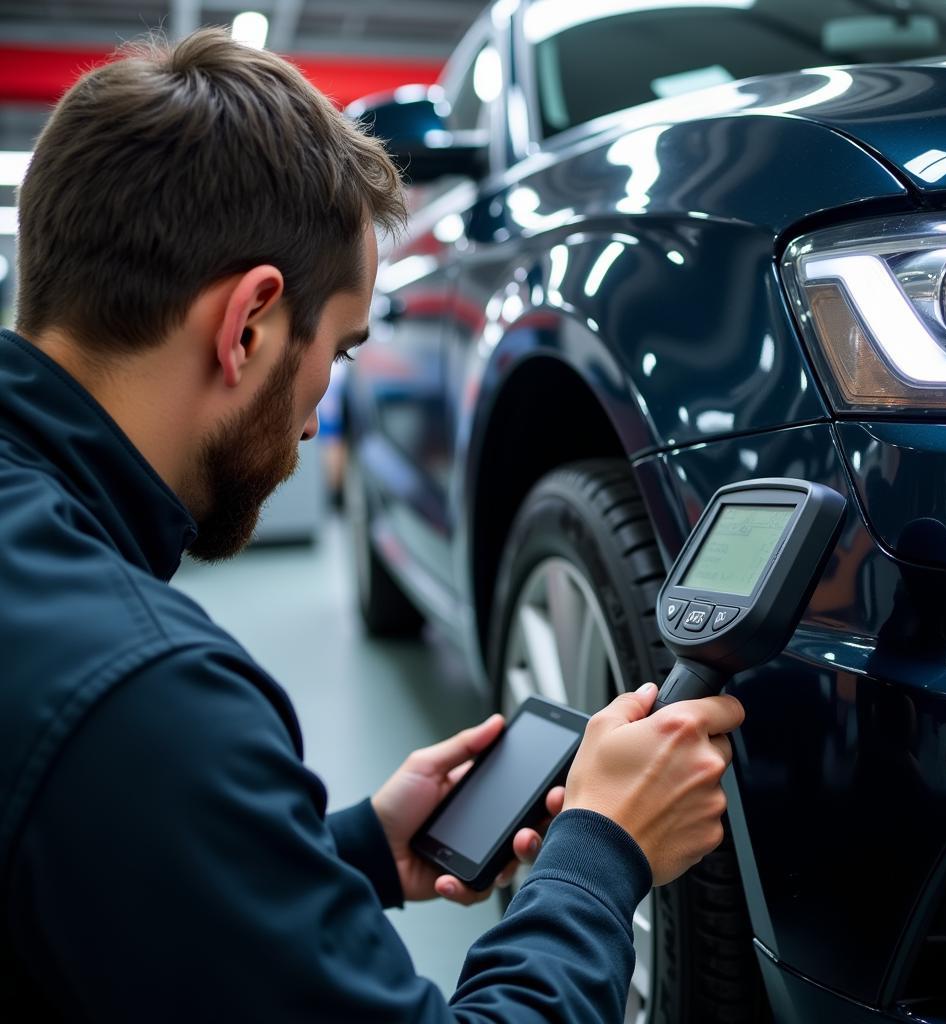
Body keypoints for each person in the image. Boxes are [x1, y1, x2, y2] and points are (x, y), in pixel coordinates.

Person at [0, 29, 745, 1022]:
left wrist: (345, 849)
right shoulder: (145, 695)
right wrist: (600, 853)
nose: (317, 415)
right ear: (250, 324)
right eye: (342, 350)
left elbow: (111, 872)